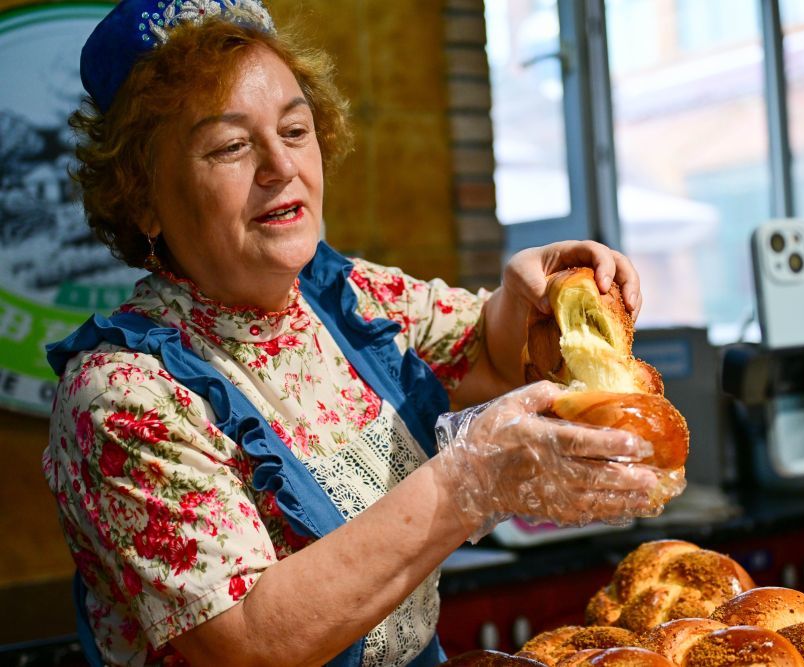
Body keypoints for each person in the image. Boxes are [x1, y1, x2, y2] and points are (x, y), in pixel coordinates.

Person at [43, 1, 662, 665]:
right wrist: (470, 481)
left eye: (295, 129)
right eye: (230, 146)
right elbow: (250, 643)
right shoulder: (120, 398)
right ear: (141, 198)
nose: (280, 166)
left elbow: (487, 356)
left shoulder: (345, 299)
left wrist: (525, 298)